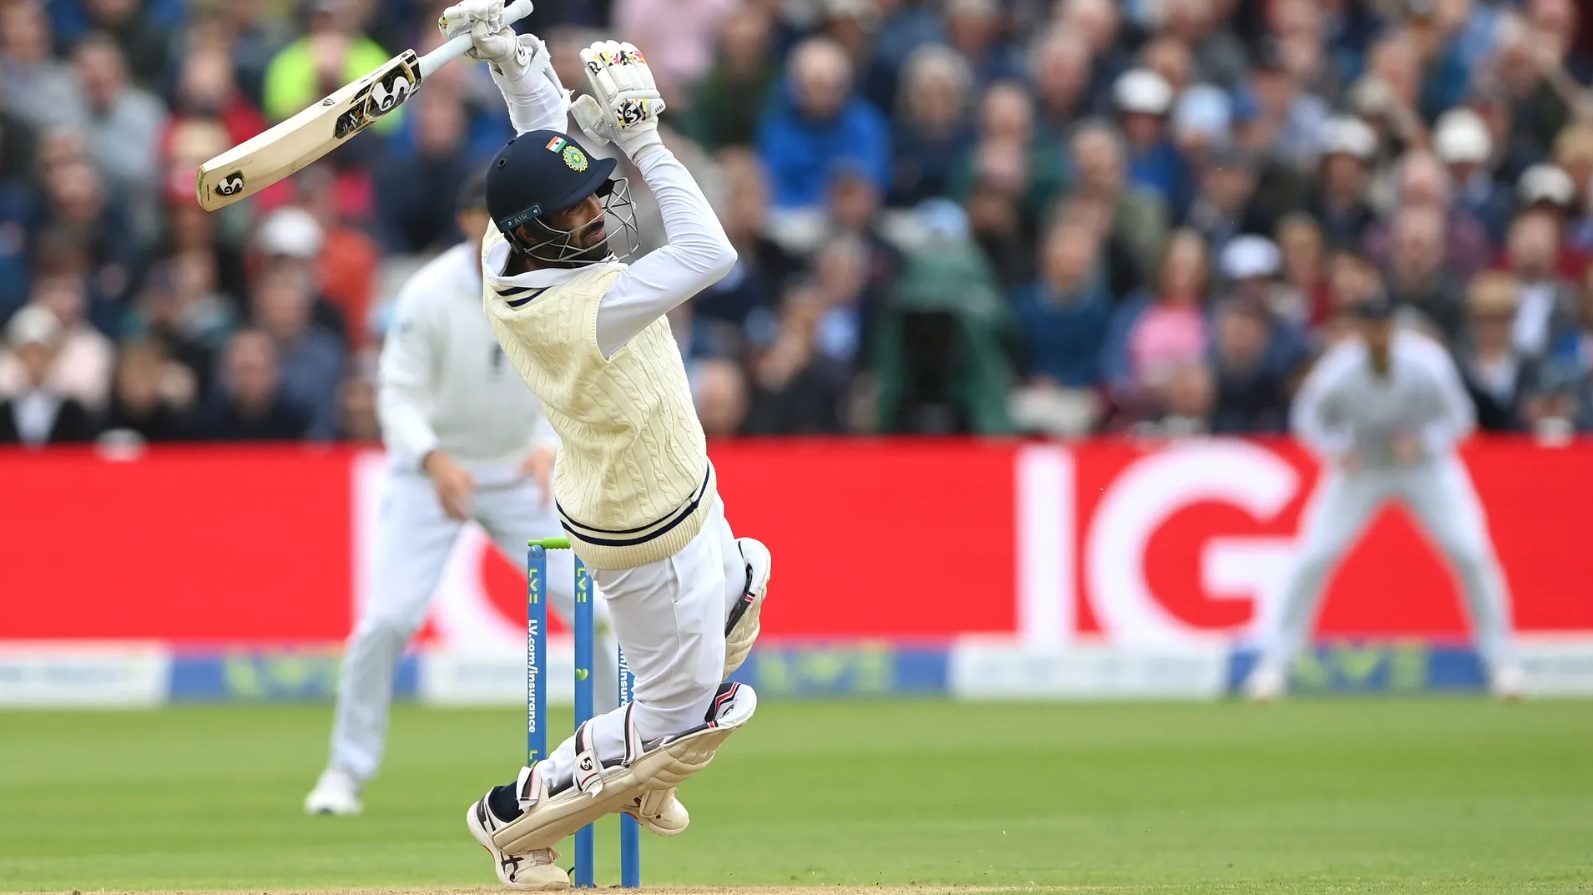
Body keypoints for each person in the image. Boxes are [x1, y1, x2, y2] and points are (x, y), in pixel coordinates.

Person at [435, 5, 772, 888]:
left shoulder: (505, 250)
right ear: (535, 230)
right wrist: (645, 140)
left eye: (591, 197)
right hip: (644, 528)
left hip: (681, 486)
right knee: (686, 718)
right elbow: (710, 250)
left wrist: (513, 61)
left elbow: (540, 143)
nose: (593, 214)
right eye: (575, 210)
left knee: (745, 586)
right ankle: (511, 821)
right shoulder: (587, 310)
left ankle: (646, 772)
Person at [303, 176, 621, 817]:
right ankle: (344, 772)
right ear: (465, 220)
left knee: (595, 611)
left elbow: (569, 375)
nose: (494, 230)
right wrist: (433, 460)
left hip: (519, 476)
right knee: (384, 622)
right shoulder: (428, 293)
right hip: (430, 479)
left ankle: (617, 754)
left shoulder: (547, 280)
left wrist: (546, 443)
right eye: (483, 217)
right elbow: (398, 393)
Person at [1244, 294, 1524, 702]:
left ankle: (1503, 664)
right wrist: (1336, 448)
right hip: (1362, 469)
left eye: (1384, 328)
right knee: (1313, 556)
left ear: (1394, 329)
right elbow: (1307, 418)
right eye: (1370, 329)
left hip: (1425, 468)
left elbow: (1460, 417)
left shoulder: (1427, 363)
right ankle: (1274, 666)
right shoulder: (1339, 369)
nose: (1378, 337)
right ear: (1360, 331)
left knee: (1471, 552)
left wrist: (1425, 442)